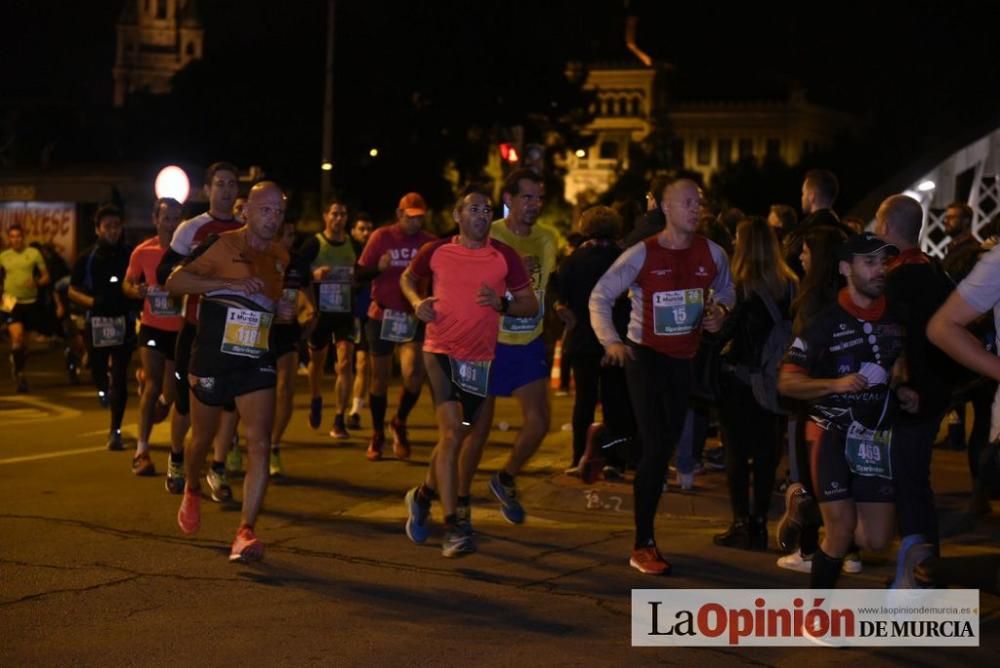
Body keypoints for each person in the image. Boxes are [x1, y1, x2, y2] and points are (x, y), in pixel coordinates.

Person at [590, 178, 734, 575]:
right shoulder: (641, 254)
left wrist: (719, 311)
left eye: (699, 202)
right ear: (666, 209)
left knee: (662, 445)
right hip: (644, 357)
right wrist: (612, 342)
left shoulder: (714, 253)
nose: (695, 208)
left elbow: (727, 290)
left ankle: (608, 440)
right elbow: (600, 296)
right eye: (687, 202)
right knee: (656, 450)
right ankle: (643, 543)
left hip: (683, 361)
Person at [400, 185, 536, 556]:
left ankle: (423, 495)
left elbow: (529, 304)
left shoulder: (504, 256)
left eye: (486, 210)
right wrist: (416, 302)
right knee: (451, 433)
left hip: (479, 360)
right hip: (440, 351)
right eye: (473, 209)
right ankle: (455, 524)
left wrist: (503, 304)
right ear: (458, 215)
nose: (481, 215)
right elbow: (408, 279)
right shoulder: (437, 251)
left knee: (460, 434)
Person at [778, 232, 913, 589]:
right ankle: (818, 616)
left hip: (874, 439)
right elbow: (787, 383)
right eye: (869, 262)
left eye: (883, 262)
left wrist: (903, 389)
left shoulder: (898, 318)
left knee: (875, 540)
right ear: (844, 268)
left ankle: (806, 510)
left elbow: (898, 365)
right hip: (829, 433)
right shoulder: (822, 323)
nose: (879, 270)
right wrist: (834, 385)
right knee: (840, 529)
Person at [165, 180, 289, 562]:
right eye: (265, 210)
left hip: (254, 357)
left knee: (259, 444)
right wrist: (225, 282)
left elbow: (269, 301)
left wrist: (281, 312)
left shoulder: (281, 256)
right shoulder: (221, 244)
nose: (272, 218)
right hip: (213, 357)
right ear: (246, 211)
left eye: (279, 212)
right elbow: (175, 281)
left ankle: (245, 531)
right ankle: (191, 487)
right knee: (201, 437)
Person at [457, 169, 558, 526]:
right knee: (477, 432)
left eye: (539, 197)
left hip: (527, 340)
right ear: (509, 200)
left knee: (540, 422)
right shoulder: (490, 234)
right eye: (527, 197)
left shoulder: (548, 240)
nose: (534, 205)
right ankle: (461, 501)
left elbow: (543, 288)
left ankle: (506, 477)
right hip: (489, 342)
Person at [876, 194, 965, 586]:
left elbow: (889, 340)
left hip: (904, 394)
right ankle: (928, 568)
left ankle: (916, 577)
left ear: (885, 228)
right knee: (917, 482)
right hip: (934, 392)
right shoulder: (936, 272)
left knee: (906, 483)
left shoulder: (891, 279)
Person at [156, 162, 245, 497]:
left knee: (230, 403)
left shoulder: (246, 231)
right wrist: (197, 274)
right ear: (208, 190)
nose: (226, 190)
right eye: (219, 184)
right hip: (195, 328)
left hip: (234, 332)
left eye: (232, 184)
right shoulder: (191, 229)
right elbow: (165, 271)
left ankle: (218, 469)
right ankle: (177, 459)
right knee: (184, 404)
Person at [713, 217, 797, 550]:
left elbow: (725, 332)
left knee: (736, 453)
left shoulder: (739, 285)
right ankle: (761, 522)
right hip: (774, 379)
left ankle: (740, 523)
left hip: (740, 380)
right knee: (767, 454)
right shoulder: (789, 283)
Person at [555, 206, 633, 480]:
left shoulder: (572, 261)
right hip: (615, 339)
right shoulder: (624, 259)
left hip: (583, 341)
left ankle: (579, 457)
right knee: (616, 403)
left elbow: (562, 301)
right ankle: (615, 460)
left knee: (584, 402)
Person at [356, 193, 436, 461]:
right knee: (379, 378)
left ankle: (399, 421)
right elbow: (360, 273)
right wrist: (378, 268)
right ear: (399, 214)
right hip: (382, 315)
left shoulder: (429, 243)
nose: (415, 222)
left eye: (419, 218)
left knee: (414, 373)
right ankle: (377, 432)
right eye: (410, 217)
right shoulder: (381, 237)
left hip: (412, 316)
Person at [123, 197, 184, 476]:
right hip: (152, 327)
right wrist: (136, 291)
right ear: (155, 220)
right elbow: (128, 283)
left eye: (175, 218)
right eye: (166, 218)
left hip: (180, 330)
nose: (171, 223)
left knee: (168, 396)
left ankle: (154, 399)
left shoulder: (188, 252)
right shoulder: (142, 252)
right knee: (152, 386)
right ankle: (141, 452)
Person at [68, 205, 137, 451]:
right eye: (107, 226)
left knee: (119, 376)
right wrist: (92, 303)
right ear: (97, 229)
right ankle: (101, 389)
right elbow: (72, 289)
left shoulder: (131, 254)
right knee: (98, 369)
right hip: (95, 323)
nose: (112, 231)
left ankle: (115, 430)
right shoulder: (87, 257)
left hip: (123, 321)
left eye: (116, 226)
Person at [300, 199, 362, 439]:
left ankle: (339, 418)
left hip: (344, 312)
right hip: (321, 313)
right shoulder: (314, 244)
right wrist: (314, 275)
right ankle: (316, 396)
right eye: (334, 214)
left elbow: (362, 272)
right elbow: (297, 271)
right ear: (326, 216)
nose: (339, 218)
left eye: (343, 214)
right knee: (318, 361)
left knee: (345, 362)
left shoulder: (353, 246)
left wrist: (356, 280)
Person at [269, 218, 316, 476]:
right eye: (284, 234)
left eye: (292, 234)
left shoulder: (298, 263)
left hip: (288, 332)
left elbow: (310, 301)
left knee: (285, 388)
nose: (290, 239)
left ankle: (274, 446)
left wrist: (309, 314)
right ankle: (233, 443)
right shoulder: (261, 258)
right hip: (261, 331)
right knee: (254, 392)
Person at [1, 225, 50, 392]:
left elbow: (46, 277)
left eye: (18, 236)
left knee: (25, 345)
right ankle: (20, 374)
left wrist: (36, 282)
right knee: (18, 337)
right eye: (12, 236)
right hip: (11, 301)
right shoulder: (3, 257)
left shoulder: (33, 254)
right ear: (9, 238)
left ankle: (17, 362)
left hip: (31, 301)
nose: (15, 239)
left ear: (24, 237)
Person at [783, 169, 853, 276]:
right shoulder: (851, 235)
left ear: (811, 196)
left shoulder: (799, 236)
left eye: (803, 193)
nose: (802, 198)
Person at [347, 214, 375, 429]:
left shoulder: (376, 252)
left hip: (370, 315)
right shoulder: (349, 253)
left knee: (363, 363)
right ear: (353, 231)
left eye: (369, 229)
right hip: (349, 314)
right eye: (361, 229)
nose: (366, 233)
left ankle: (355, 409)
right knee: (343, 364)